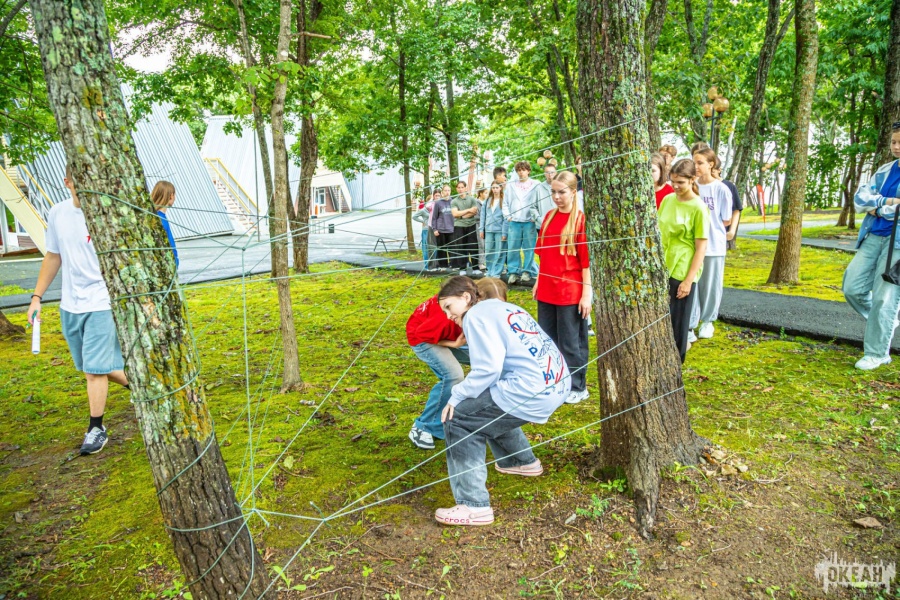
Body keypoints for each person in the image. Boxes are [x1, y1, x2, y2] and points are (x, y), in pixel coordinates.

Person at [435, 276, 569, 526]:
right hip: (558, 383)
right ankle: (519, 461)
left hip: (531, 389)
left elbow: (488, 369)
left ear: (466, 297)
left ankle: (473, 506)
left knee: (459, 418)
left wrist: (457, 394)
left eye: (449, 307)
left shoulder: (474, 316)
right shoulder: (508, 308)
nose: (448, 315)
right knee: (486, 407)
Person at [27, 165, 129, 456]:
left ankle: (96, 428)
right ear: (67, 182)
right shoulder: (58, 213)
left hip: (101, 302)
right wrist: (36, 297)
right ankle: (141, 386)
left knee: (94, 371)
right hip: (70, 304)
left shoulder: (107, 213)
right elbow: (53, 256)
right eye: (79, 182)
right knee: (92, 367)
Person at [843, 123, 900, 370]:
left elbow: (885, 210)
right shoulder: (885, 170)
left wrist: (878, 207)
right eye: (893, 142)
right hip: (873, 236)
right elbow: (859, 199)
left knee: (885, 298)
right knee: (852, 287)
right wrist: (888, 202)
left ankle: (877, 353)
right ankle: (886, 322)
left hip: (897, 243)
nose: (896, 147)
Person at [533, 170, 591, 404]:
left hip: (569, 291)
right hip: (547, 289)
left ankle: (578, 386)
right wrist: (538, 281)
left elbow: (586, 263)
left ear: (574, 192)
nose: (557, 197)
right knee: (548, 339)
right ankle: (556, 380)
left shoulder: (580, 220)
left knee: (571, 341)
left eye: (562, 192)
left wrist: (586, 294)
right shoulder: (548, 216)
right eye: (553, 192)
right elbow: (543, 255)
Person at [657, 159, 710, 362]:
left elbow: (701, 247)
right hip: (663, 264)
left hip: (682, 267)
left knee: (678, 322)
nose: (676, 186)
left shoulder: (699, 208)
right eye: (673, 181)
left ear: (692, 179)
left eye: (681, 182)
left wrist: (688, 280)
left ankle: (677, 363)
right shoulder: (668, 199)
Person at [405, 291, 469, 449]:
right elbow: (422, 334)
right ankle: (424, 426)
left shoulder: (467, 301)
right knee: (453, 376)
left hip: (448, 333)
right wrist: (454, 344)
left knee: (489, 358)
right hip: (424, 338)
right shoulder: (443, 319)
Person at [689, 148, 732, 341]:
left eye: (700, 163)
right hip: (691, 245)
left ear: (711, 164)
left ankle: (708, 321)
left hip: (713, 244)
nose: (696, 166)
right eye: (694, 163)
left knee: (711, 285)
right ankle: (690, 323)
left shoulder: (721, 189)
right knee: (692, 284)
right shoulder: (691, 186)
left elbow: (725, 219)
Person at [503, 161, 540, 284]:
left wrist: (535, 217)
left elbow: (539, 201)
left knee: (529, 248)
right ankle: (513, 272)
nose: (521, 172)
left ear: (528, 171)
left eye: (523, 170)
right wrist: (508, 216)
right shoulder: (511, 185)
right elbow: (505, 203)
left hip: (529, 221)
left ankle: (527, 272)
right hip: (514, 222)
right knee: (513, 248)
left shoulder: (536, 184)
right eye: (519, 170)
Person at [450, 181, 480, 274]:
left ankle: (475, 268)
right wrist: (468, 210)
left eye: (462, 187)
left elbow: (474, 212)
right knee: (461, 247)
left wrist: (461, 215)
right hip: (459, 226)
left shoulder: (472, 199)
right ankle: (462, 268)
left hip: (471, 225)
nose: (460, 189)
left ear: (465, 188)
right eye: (458, 187)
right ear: (456, 189)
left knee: (473, 246)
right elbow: (455, 214)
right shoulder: (454, 201)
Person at [479, 181, 508, 277]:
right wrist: (481, 229)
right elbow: (483, 215)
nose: (495, 190)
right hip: (488, 230)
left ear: (500, 188)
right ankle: (490, 271)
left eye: (497, 188)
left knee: (499, 252)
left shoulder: (504, 200)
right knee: (489, 252)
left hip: (499, 230)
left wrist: (504, 232)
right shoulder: (488, 200)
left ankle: (496, 272)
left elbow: (506, 218)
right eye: (493, 188)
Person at [711, 161, 743, 246]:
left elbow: (736, 210)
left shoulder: (728, 186)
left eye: (713, 171)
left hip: (722, 233)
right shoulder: (701, 186)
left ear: (719, 170)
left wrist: (732, 231)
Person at [151, 181, 179, 268]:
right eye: (174, 195)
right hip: (168, 264)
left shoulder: (155, 216)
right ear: (171, 196)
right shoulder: (160, 219)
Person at [431, 185, 455, 271]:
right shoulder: (438, 203)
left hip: (451, 229)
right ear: (442, 192)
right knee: (442, 249)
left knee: (453, 249)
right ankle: (443, 266)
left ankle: (453, 264)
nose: (447, 192)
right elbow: (434, 217)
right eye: (445, 190)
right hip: (441, 229)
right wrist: (434, 229)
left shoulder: (453, 202)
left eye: (449, 190)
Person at [413, 192, 435, 269]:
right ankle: (426, 265)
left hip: (433, 230)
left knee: (433, 248)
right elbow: (414, 217)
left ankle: (433, 264)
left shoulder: (434, 209)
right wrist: (422, 221)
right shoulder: (423, 210)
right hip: (426, 230)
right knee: (426, 248)